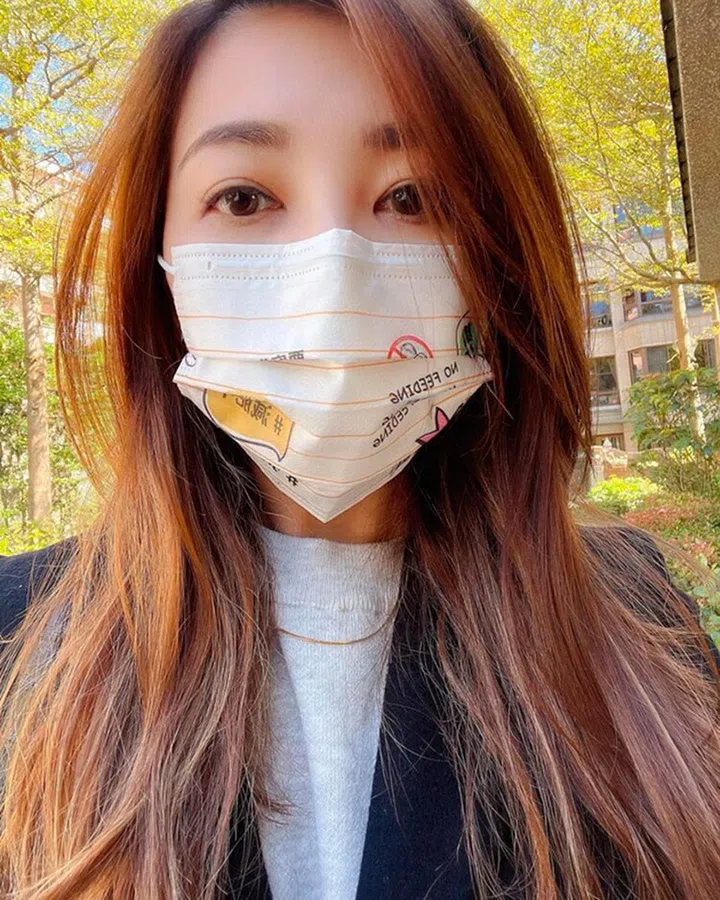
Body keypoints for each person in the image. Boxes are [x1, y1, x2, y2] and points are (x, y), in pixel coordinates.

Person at [1, 1, 718, 897]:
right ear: (159, 258)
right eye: (244, 198)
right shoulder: (20, 639)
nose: (332, 272)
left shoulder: (636, 622)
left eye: (412, 198)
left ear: (499, 259)